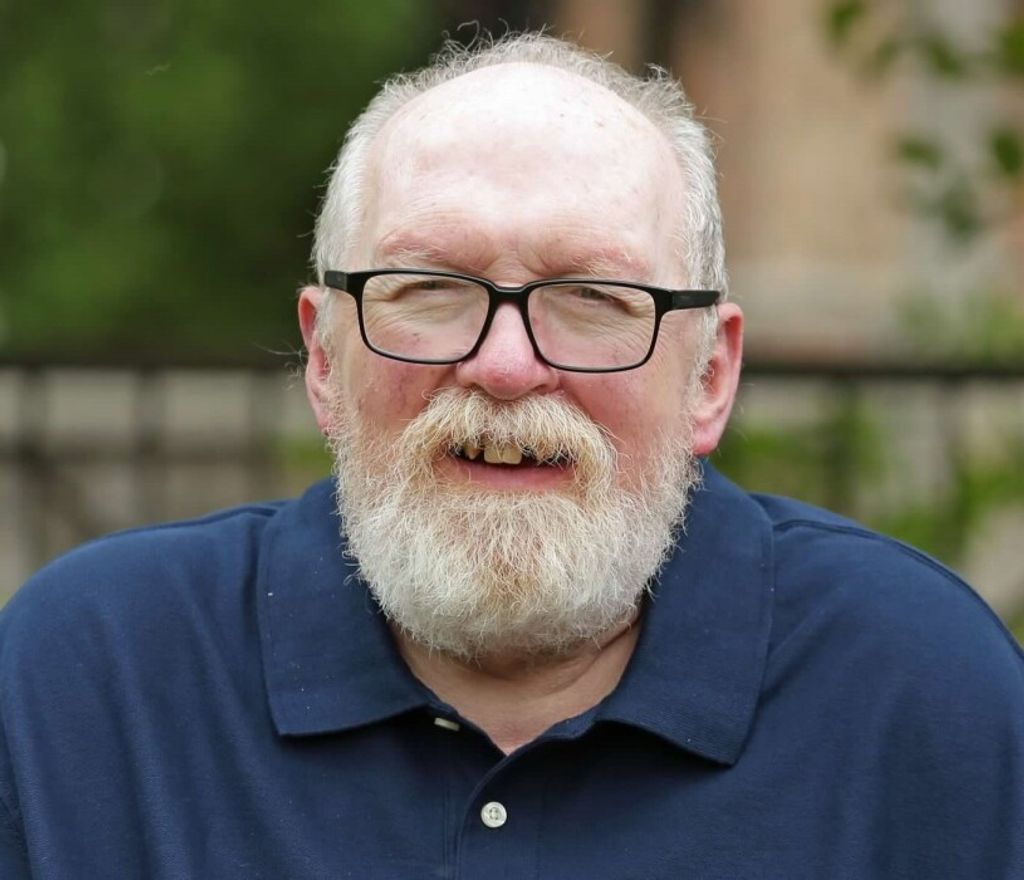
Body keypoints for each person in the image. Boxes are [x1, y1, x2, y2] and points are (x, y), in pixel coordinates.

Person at [1, 33, 1021, 879]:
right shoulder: (88, 682)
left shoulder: (921, 692)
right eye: (430, 288)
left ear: (710, 374)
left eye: (591, 298)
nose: (503, 364)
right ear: (323, 357)